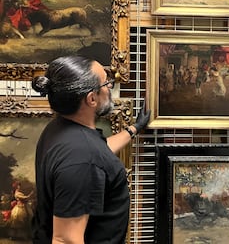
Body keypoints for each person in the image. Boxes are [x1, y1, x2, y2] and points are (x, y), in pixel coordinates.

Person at [30, 55, 151, 243]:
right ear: (92, 98)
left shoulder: (61, 128)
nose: (110, 87)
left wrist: (133, 129)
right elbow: (66, 240)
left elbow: (99, 155)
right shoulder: (82, 160)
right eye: (106, 83)